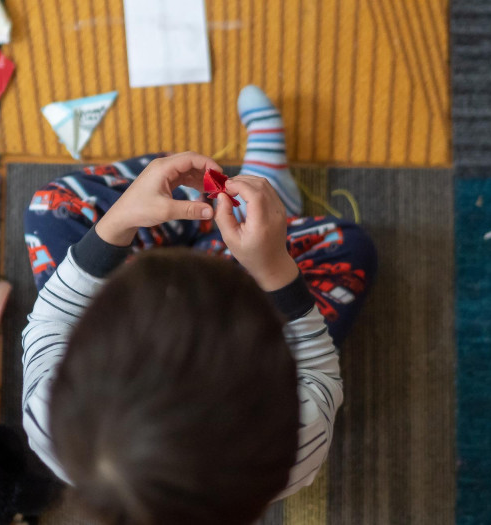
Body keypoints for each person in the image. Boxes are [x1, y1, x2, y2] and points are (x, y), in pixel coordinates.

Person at [21, 86, 377, 524]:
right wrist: (274, 272)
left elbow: (52, 319)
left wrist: (117, 223)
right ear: (270, 380)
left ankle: (208, 212)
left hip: (164, 253)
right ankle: (248, 209)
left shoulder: (49, 420)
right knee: (351, 249)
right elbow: (317, 370)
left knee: (54, 209)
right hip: (240, 264)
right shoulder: (295, 442)